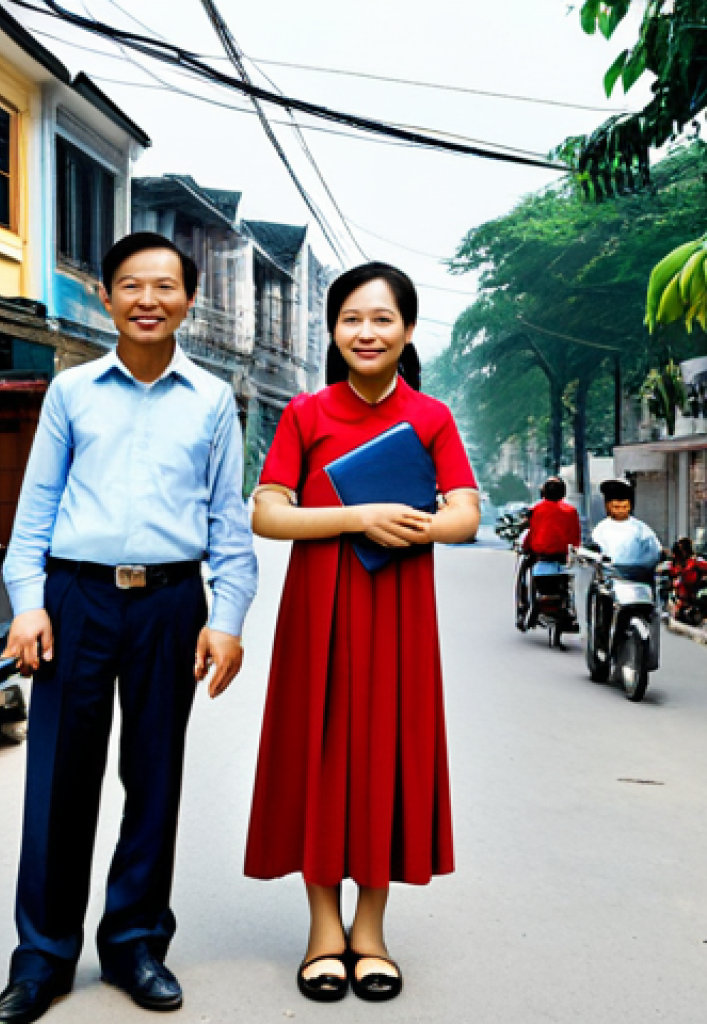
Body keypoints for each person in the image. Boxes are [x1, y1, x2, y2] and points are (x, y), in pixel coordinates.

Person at [0, 232, 258, 1024]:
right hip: (76, 598)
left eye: (165, 286)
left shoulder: (211, 400)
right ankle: (42, 958)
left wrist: (227, 618)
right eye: (131, 285)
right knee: (59, 781)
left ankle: (135, 942)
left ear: (189, 300)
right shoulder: (71, 393)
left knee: (154, 775)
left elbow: (227, 521)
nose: (148, 300)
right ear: (105, 297)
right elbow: (36, 509)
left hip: (171, 604)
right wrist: (28, 600)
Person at [244, 263, 480, 1004]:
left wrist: (413, 526)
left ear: (407, 331)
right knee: (316, 756)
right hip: (316, 613)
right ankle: (324, 931)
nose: (366, 332)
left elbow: (466, 513)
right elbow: (267, 513)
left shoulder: (431, 418)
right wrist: (358, 517)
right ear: (333, 330)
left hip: (398, 612)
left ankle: (370, 932)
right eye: (351, 319)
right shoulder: (304, 414)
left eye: (382, 319)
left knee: (387, 756)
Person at [517, 477, 582, 628]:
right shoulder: (571, 511)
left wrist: (526, 547)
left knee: (523, 571)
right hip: (564, 557)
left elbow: (531, 533)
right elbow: (575, 538)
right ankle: (570, 610)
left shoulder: (536, 509)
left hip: (541, 555)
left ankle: (523, 607)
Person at [591, 478, 661, 574]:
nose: (620, 510)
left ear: (630, 506)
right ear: (608, 507)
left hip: (637, 578)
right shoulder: (600, 529)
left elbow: (654, 554)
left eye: (624, 507)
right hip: (609, 577)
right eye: (616, 507)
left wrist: (638, 568)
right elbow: (595, 554)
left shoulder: (641, 529)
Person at [669, 537, 707, 621]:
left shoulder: (696, 562)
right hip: (680, 603)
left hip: (693, 603)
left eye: (681, 548)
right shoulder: (677, 564)